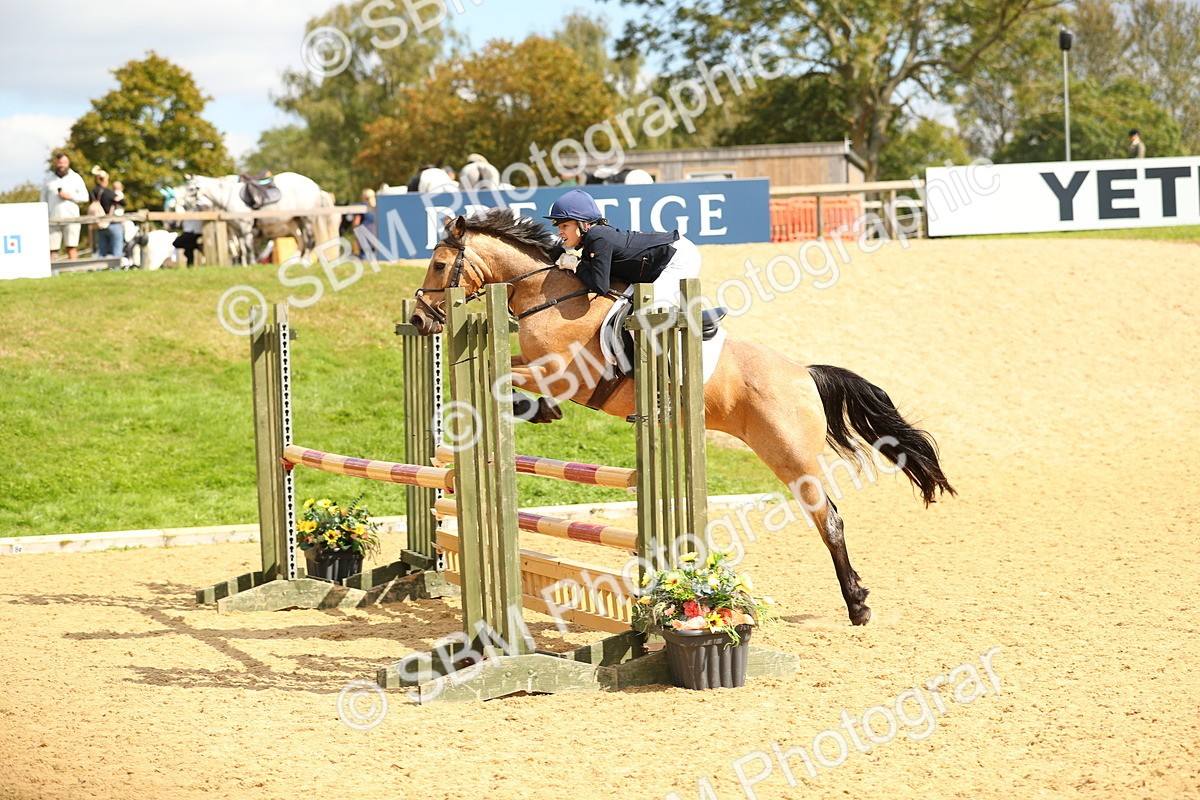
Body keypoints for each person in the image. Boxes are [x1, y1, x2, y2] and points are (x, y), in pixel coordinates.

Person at [543, 188, 699, 308]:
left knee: (649, 311)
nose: (560, 232)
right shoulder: (593, 240)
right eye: (559, 226)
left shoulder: (597, 236)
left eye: (565, 225)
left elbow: (600, 287)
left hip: (678, 257)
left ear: (583, 224)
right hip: (666, 258)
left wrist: (576, 265)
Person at [40, 153, 88, 261]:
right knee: (51, 249)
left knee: (71, 247)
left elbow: (85, 197)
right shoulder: (48, 179)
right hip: (53, 219)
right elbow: (42, 200)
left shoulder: (76, 178)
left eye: (64, 162)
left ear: (68, 163)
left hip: (72, 218)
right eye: (59, 162)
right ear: (56, 163)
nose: (62, 165)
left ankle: (73, 271)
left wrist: (70, 196)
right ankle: (52, 273)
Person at [89, 167, 125, 261]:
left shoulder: (93, 192)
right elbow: (123, 203)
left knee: (102, 251)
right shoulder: (108, 192)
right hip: (112, 223)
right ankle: (116, 270)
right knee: (116, 250)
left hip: (99, 225)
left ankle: (100, 271)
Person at [352, 188, 377, 259]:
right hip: (376, 235)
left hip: (365, 235)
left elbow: (356, 222)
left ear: (364, 197)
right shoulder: (377, 206)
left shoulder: (362, 207)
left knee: (364, 257)